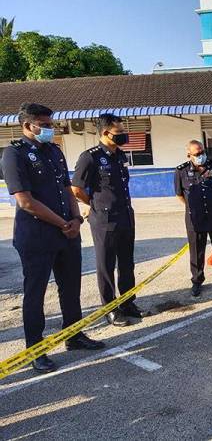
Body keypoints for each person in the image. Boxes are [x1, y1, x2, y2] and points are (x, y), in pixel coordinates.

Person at [0, 103, 105, 374]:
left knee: (70, 288)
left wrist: (76, 220)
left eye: (50, 124)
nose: (50, 129)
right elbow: (24, 201)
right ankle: (36, 349)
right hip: (36, 237)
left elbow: (67, 190)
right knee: (35, 294)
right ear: (27, 126)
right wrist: (63, 223)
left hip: (67, 233)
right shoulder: (13, 154)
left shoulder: (55, 151)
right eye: (44, 125)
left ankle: (74, 335)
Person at [71, 114, 147, 327]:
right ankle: (111, 309)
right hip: (104, 220)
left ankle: (128, 303)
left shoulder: (120, 155)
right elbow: (76, 189)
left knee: (127, 264)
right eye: (119, 132)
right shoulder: (90, 157)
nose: (123, 135)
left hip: (125, 216)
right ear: (106, 133)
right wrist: (95, 205)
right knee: (106, 266)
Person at [174, 140, 212, 297]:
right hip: (195, 218)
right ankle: (197, 281)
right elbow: (180, 194)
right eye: (197, 153)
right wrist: (194, 206)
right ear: (189, 155)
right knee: (196, 252)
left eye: (202, 152)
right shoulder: (181, 171)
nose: (201, 155)